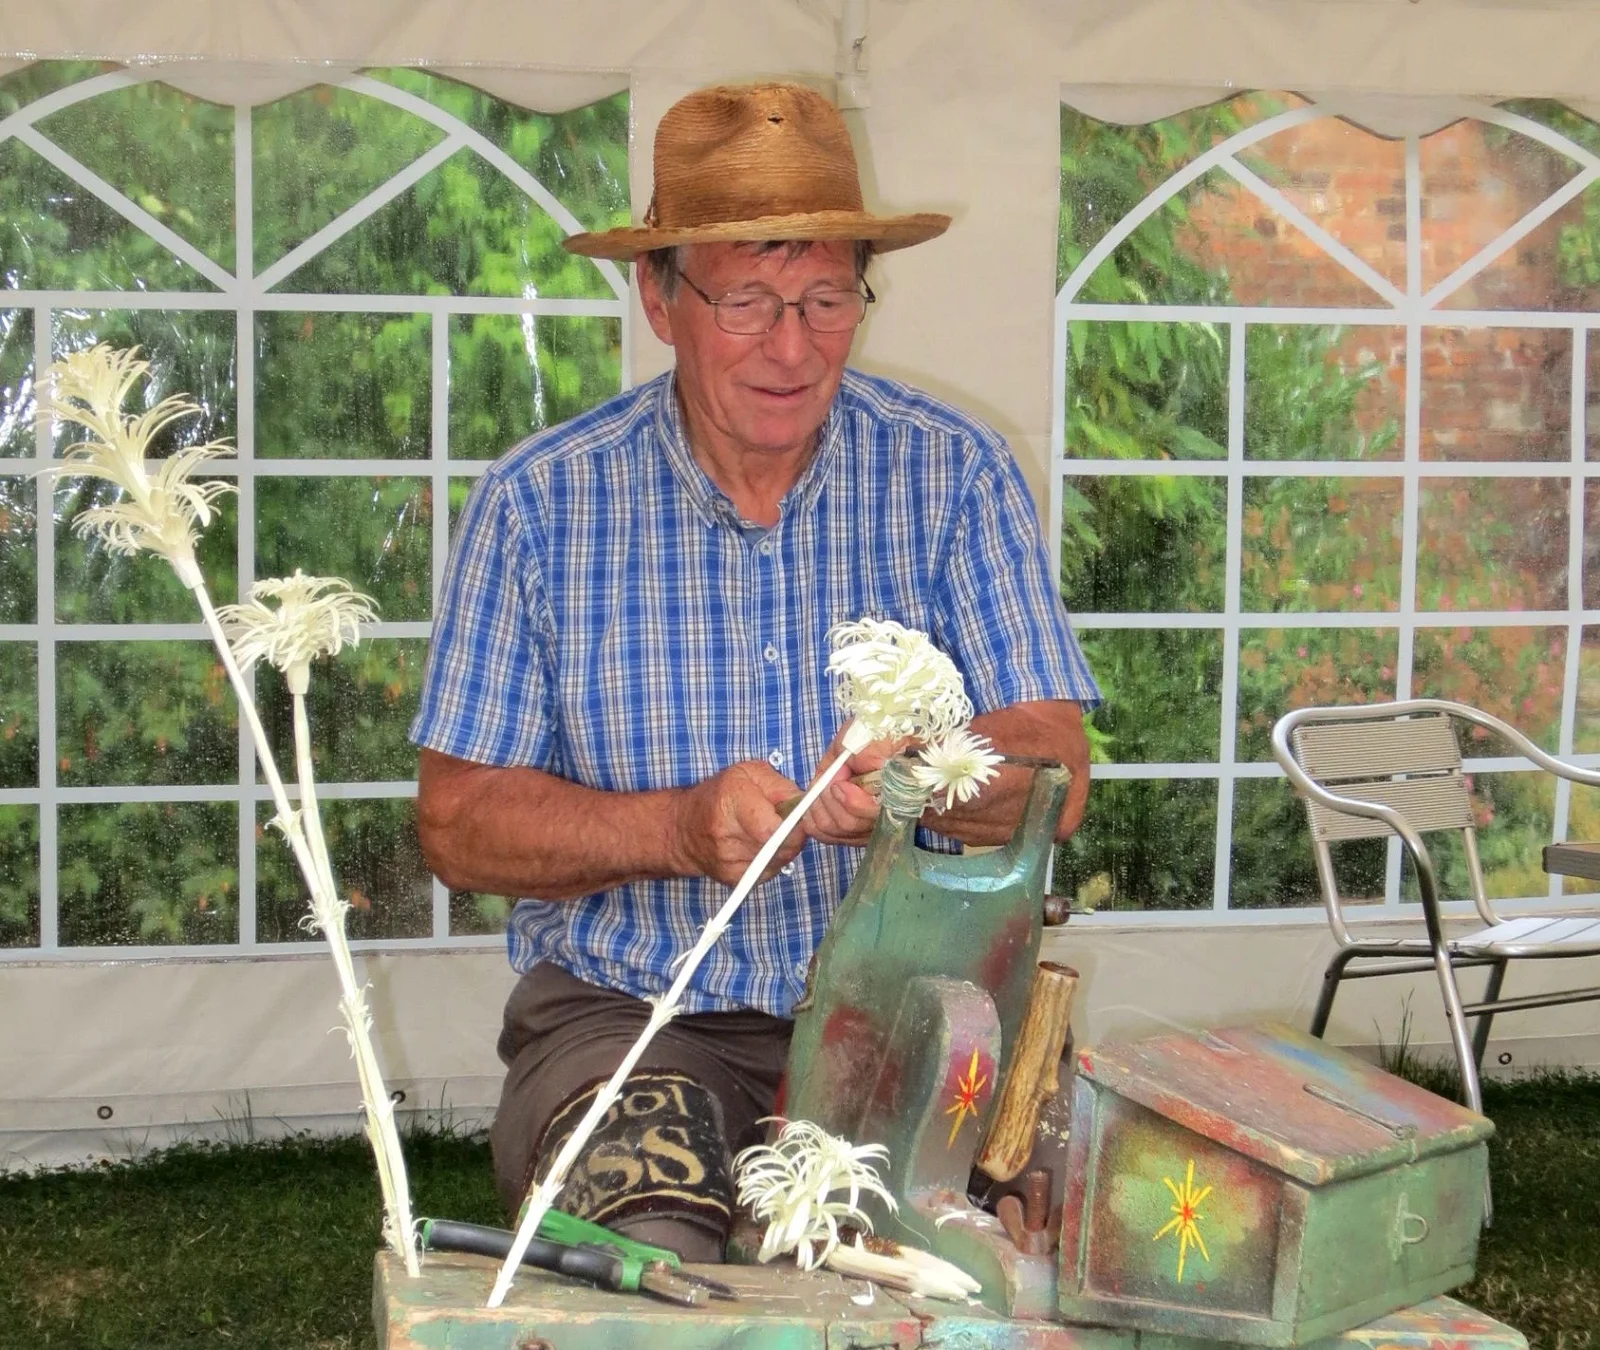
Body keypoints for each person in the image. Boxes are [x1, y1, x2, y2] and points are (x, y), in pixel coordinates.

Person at [409, 81, 1099, 1261]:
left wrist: (922, 776)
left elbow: (1057, 774)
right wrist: (681, 829)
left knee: (1014, 1261)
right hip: (632, 1014)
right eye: (748, 301)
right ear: (659, 297)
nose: (793, 345)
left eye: (828, 297)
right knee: (655, 1253)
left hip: (918, 1013)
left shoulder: (954, 473)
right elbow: (459, 825)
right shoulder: (543, 504)